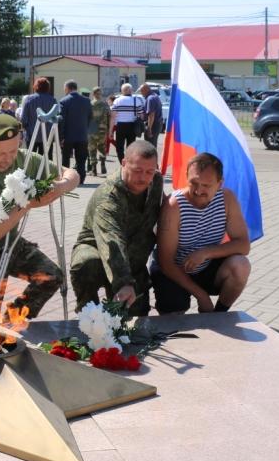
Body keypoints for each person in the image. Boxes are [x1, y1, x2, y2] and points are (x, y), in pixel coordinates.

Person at [0, 116, 78, 324]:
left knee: (51, 276)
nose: (8, 158)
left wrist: (60, 187)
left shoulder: (22, 159)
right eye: (1, 153)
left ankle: (11, 322)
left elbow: (71, 174)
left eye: (13, 150)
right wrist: (26, 204)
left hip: (10, 242)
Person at [69, 140, 163, 317]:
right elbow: (111, 240)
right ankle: (88, 314)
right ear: (124, 163)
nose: (143, 178)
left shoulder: (155, 181)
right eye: (137, 171)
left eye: (149, 171)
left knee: (135, 319)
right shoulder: (109, 197)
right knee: (86, 264)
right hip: (100, 250)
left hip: (134, 259)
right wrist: (124, 283)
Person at [152, 153, 252, 314]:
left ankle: (218, 315)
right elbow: (166, 262)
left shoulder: (227, 199)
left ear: (220, 184)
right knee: (173, 319)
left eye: (206, 185)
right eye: (194, 183)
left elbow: (243, 245)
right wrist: (202, 296)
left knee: (241, 265)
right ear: (186, 177)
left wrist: (206, 253)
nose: (198, 191)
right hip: (174, 269)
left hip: (205, 265)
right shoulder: (173, 206)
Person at [58, 80, 93, 184]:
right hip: (82, 135)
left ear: (68, 88)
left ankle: (66, 180)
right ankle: (81, 179)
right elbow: (90, 117)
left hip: (68, 136)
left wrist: (61, 137)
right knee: (81, 159)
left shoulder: (64, 101)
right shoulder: (86, 101)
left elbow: (62, 120)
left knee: (65, 159)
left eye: (64, 88)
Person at [20, 77, 58, 153]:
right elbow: (55, 118)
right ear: (48, 87)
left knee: (30, 160)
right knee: (46, 161)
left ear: (36, 86)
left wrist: (26, 128)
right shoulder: (53, 100)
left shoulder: (29, 99)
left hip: (32, 134)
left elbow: (23, 119)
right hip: (47, 136)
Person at [109, 83, 144, 163]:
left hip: (120, 126)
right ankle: (129, 162)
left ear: (122, 91)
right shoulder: (137, 100)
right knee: (131, 147)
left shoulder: (117, 101)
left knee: (119, 147)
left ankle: (122, 163)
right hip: (132, 126)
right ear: (131, 91)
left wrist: (110, 131)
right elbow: (141, 116)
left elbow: (113, 117)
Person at [88, 87, 110, 177]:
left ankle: (94, 170)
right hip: (102, 128)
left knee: (92, 149)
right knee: (102, 147)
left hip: (92, 128)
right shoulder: (105, 104)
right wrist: (108, 128)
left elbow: (87, 116)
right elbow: (109, 116)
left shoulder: (90, 104)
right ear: (100, 94)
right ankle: (103, 164)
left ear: (93, 94)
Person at [140, 83, 163, 148]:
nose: (141, 93)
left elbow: (151, 115)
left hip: (153, 125)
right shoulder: (155, 96)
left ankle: (151, 158)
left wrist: (149, 128)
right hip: (157, 123)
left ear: (146, 90)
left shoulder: (150, 99)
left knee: (149, 146)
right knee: (153, 144)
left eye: (142, 91)